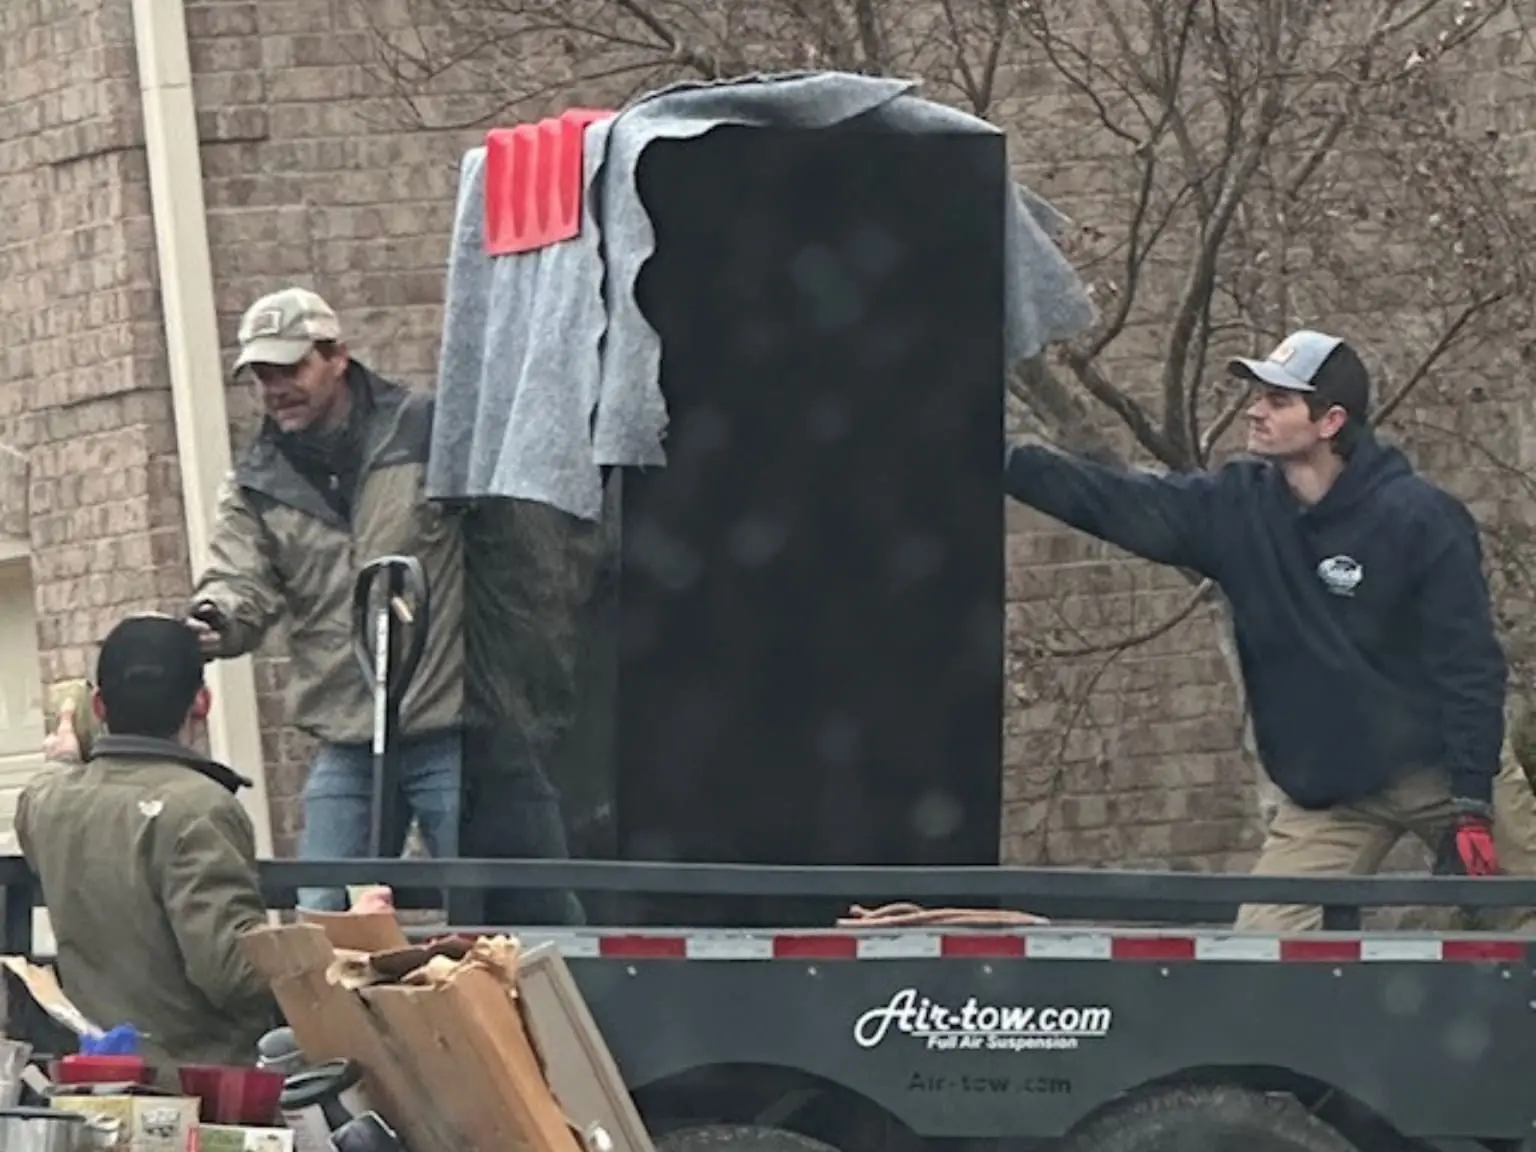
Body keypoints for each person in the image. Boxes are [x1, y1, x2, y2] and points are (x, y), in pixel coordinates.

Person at [1002, 329, 1536, 931]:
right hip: (1331, 797)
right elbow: (1120, 502)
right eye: (1257, 395)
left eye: (1277, 400)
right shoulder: (1236, 509)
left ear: (1331, 420)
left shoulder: (1421, 520)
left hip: (1442, 773)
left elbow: (1470, 666)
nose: (1254, 409)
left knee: (1524, 930)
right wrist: (1008, 463)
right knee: (1264, 954)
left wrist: (1470, 806)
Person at [186, 286, 468, 912]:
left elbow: (504, 545)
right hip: (345, 730)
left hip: (446, 725)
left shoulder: (426, 428)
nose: (275, 387)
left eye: (290, 368)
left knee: (489, 910)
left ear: (337, 356)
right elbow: (239, 582)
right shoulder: (256, 482)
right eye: (261, 375)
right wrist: (213, 619)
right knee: (321, 918)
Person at [17, 615, 276, 1075]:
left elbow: (45, 787)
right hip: (201, 1086)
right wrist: (331, 960)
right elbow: (233, 973)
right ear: (202, 701)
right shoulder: (201, 807)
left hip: (97, 1077)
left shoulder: (48, 804)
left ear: (98, 706)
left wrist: (65, 755)